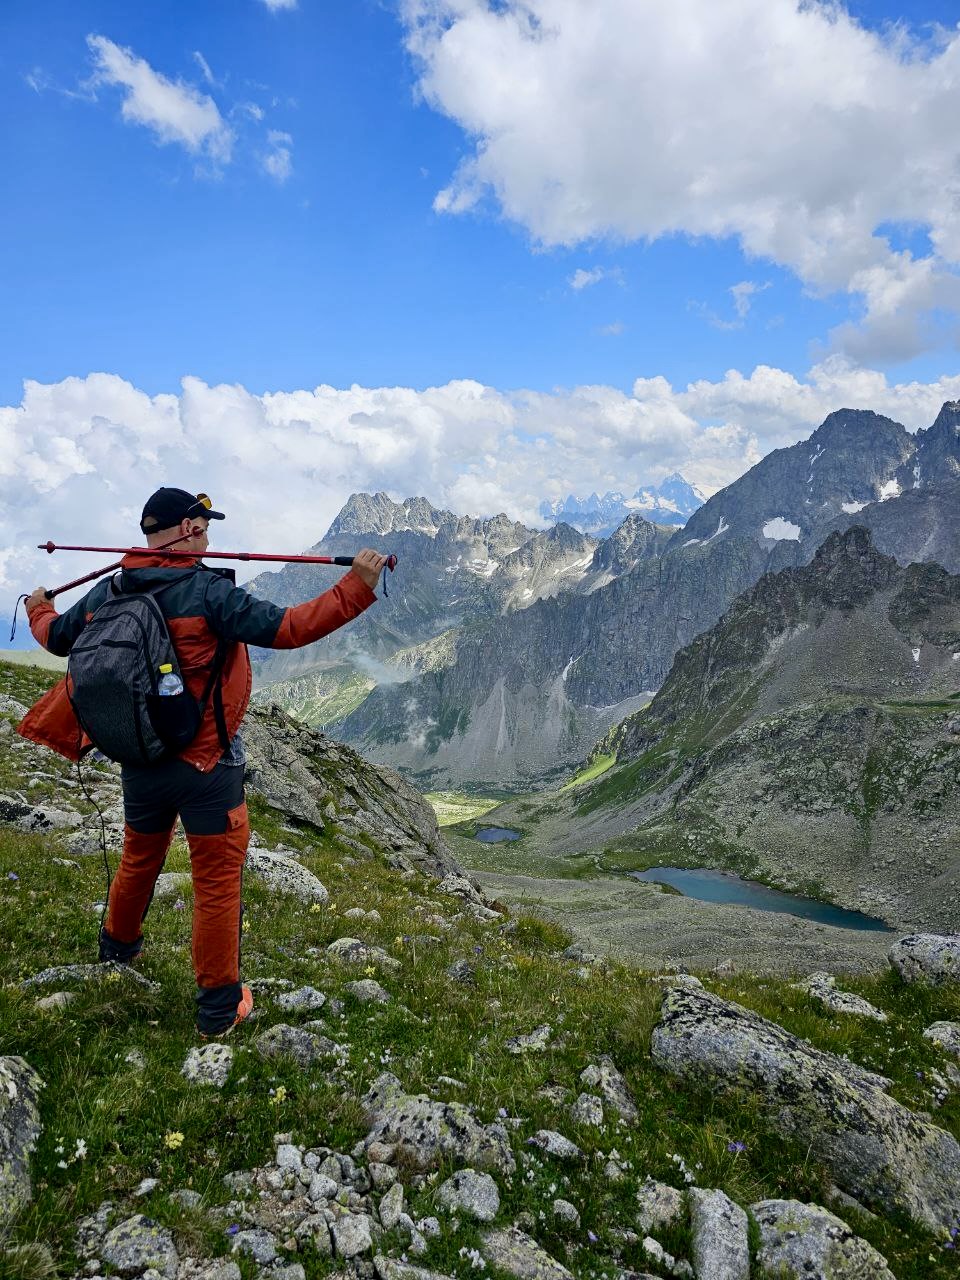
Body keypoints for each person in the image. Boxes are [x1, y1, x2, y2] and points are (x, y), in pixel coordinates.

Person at [18, 486, 387, 1036]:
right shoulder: (208, 593)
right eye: (204, 524)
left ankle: (117, 952)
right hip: (207, 764)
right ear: (188, 528)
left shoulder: (109, 591)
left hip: (138, 758)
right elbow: (289, 628)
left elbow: (55, 639)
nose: (209, 533)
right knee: (216, 880)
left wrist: (38, 605)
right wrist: (357, 585)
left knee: (139, 858)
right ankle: (219, 1007)